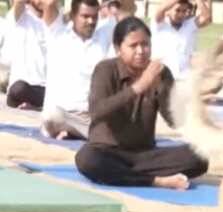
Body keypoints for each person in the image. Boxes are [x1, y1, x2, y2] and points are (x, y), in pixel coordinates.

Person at [75, 17, 208, 190]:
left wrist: (163, 89)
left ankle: (127, 175)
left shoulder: (159, 72)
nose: (141, 51)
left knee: (199, 157)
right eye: (133, 46)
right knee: (87, 159)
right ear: (118, 49)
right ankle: (157, 181)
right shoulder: (105, 70)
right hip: (108, 152)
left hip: (144, 155)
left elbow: (175, 121)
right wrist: (139, 87)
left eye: (145, 45)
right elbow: (97, 111)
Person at [41, 0, 113, 140]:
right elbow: (49, 3)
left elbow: (127, 8)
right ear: (73, 15)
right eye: (85, 16)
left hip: (90, 116)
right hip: (61, 115)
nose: (91, 21)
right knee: (51, 116)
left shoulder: (104, 35)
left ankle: (76, 132)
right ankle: (94, 134)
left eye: (94, 16)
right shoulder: (57, 34)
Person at [4, 0, 64, 109]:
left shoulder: (58, 19)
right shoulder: (21, 15)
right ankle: (37, 105)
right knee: (19, 89)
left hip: (47, 88)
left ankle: (36, 106)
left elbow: (51, 4)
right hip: (22, 88)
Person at [151, 0, 211, 80]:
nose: (181, 14)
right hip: (161, 77)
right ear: (168, 11)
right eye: (177, 10)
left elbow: (206, 16)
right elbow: (160, 9)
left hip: (184, 77)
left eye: (184, 11)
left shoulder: (190, 25)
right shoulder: (159, 24)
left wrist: (198, 1)